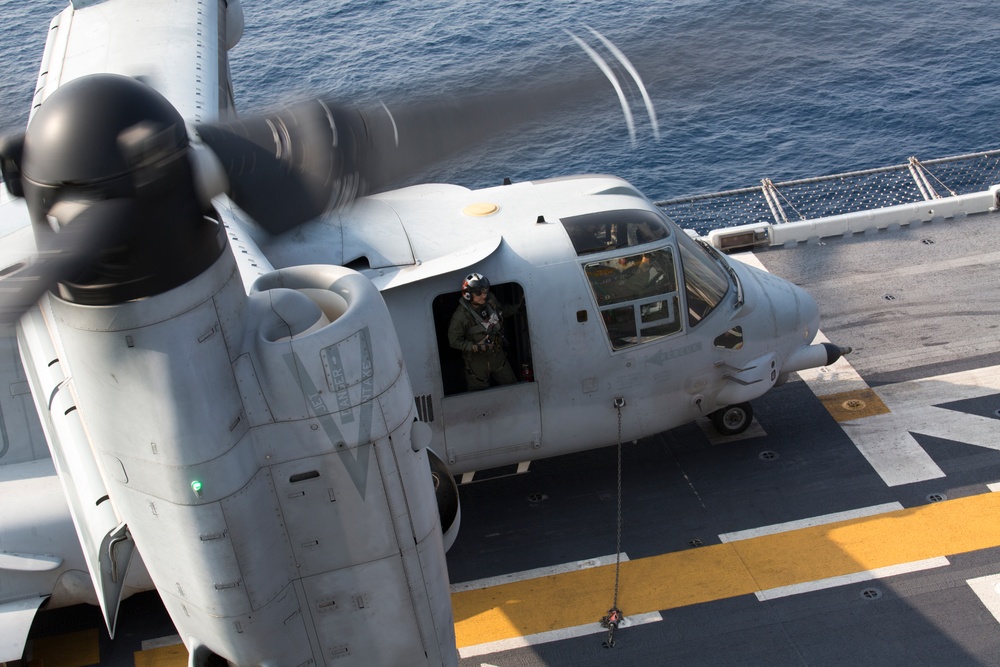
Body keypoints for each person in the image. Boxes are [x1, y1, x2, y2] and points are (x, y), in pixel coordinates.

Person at [448, 273, 521, 391]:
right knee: (479, 401)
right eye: (479, 293)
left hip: (497, 357)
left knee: (514, 388)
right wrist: (475, 347)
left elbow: (501, 312)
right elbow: (454, 341)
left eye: (485, 291)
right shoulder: (460, 317)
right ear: (468, 294)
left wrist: (517, 308)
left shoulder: (490, 300)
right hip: (477, 365)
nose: (484, 296)